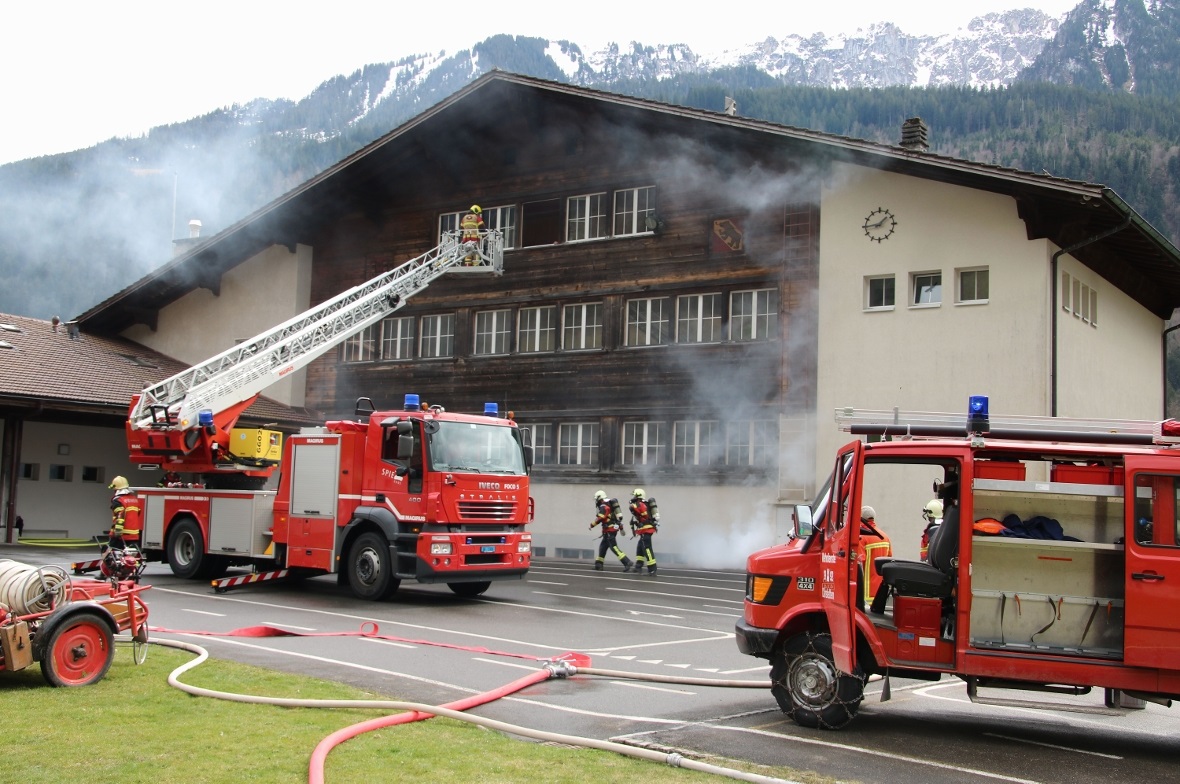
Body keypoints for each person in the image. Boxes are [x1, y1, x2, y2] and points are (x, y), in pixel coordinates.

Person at [590, 490, 633, 572]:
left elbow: (600, 518)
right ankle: (599, 565)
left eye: (597, 499)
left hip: (610, 529)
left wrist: (592, 525)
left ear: (600, 498)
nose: (596, 501)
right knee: (603, 547)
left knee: (614, 547)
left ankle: (627, 562)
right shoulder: (609, 504)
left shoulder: (603, 506)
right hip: (609, 529)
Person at [857, 506, 892, 606]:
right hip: (881, 592)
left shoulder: (861, 538)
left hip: (866, 594)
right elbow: (889, 560)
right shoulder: (885, 537)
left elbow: (858, 564)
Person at [629, 488, 659, 576]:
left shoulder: (641, 504)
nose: (633, 497)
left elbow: (644, 515)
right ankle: (638, 566)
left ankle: (652, 569)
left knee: (647, 549)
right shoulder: (642, 504)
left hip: (647, 529)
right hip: (644, 529)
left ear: (638, 496)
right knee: (640, 547)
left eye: (635, 495)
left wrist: (632, 505)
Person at [107, 475, 142, 549]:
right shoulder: (134, 499)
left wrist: (118, 531)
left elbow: (120, 515)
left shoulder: (118, 500)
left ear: (116, 489)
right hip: (134, 535)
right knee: (130, 557)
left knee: (112, 555)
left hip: (122, 536)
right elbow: (138, 513)